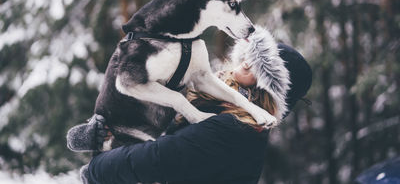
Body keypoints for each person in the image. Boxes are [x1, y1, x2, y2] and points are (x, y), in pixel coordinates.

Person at [67, 26, 312, 184]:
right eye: (252, 55)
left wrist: (98, 169)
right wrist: (106, 134)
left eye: (261, 67)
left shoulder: (236, 129)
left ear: (268, 91)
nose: (248, 62)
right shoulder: (213, 103)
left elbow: (157, 158)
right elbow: (154, 129)